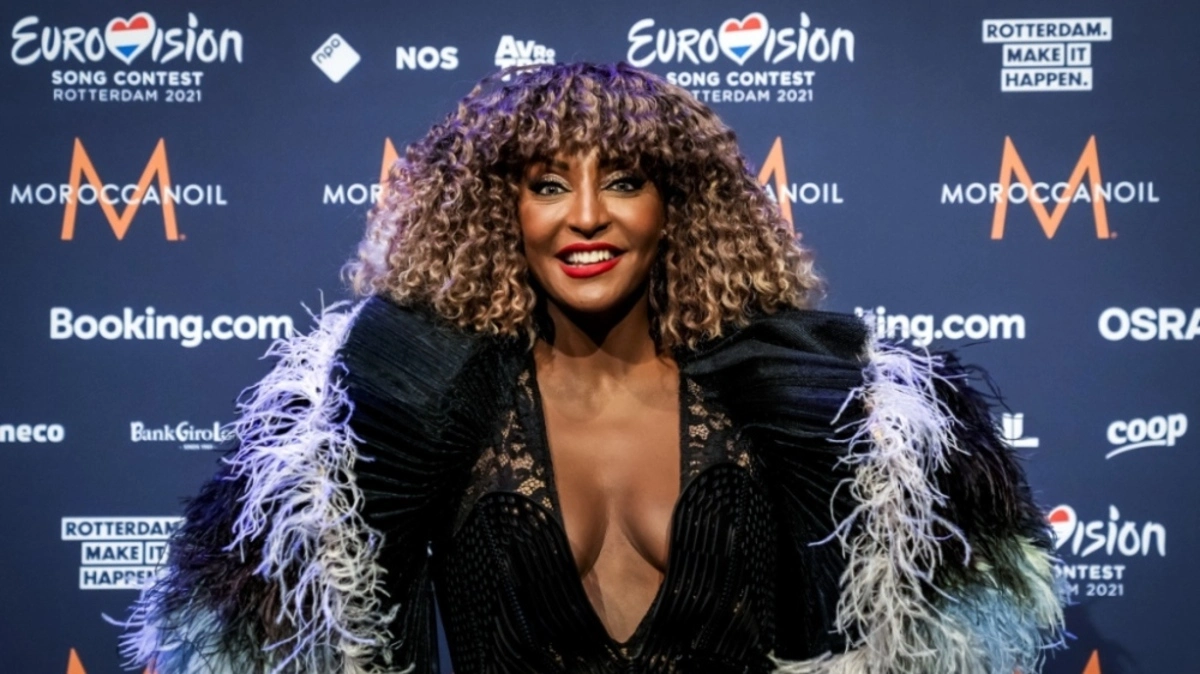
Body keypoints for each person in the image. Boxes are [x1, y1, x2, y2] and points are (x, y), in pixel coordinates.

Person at [115, 62, 1065, 674]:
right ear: (499, 214)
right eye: (545, 184)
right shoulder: (418, 404)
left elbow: (945, 619)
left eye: (623, 181)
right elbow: (269, 627)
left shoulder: (788, 399)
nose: (584, 217)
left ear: (676, 207)